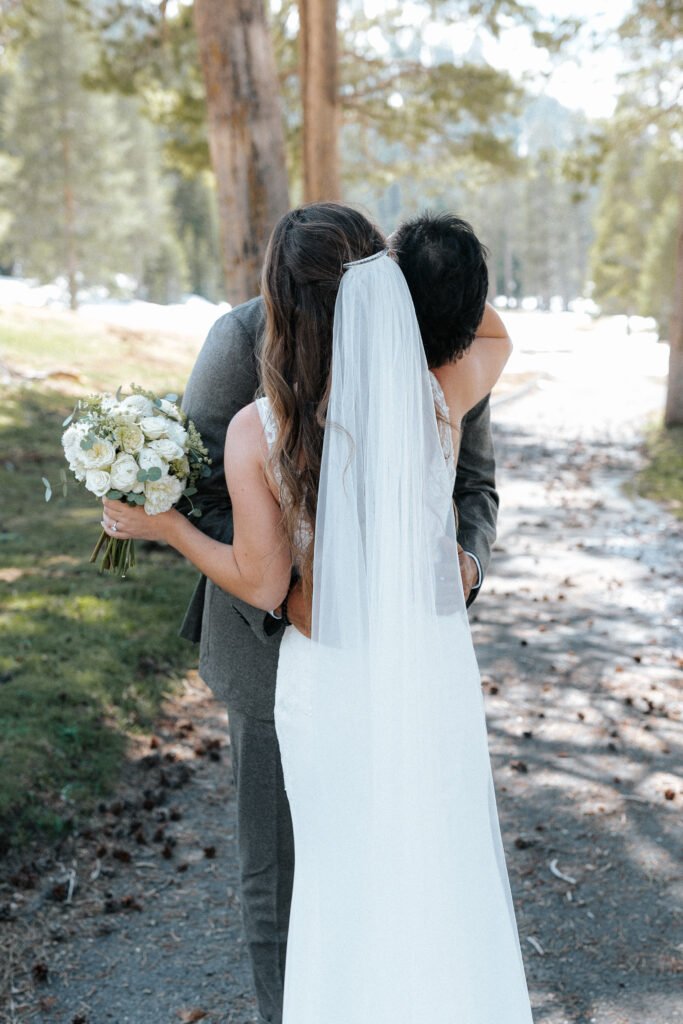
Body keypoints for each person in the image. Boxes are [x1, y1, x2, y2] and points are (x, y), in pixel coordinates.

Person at [101, 204, 528, 1024]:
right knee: (360, 870)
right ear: (378, 280)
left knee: (347, 877)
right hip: (385, 666)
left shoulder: (264, 431)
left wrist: (164, 529)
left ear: (283, 292)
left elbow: (263, 579)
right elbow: (493, 334)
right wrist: (418, 277)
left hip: (328, 664)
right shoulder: (437, 384)